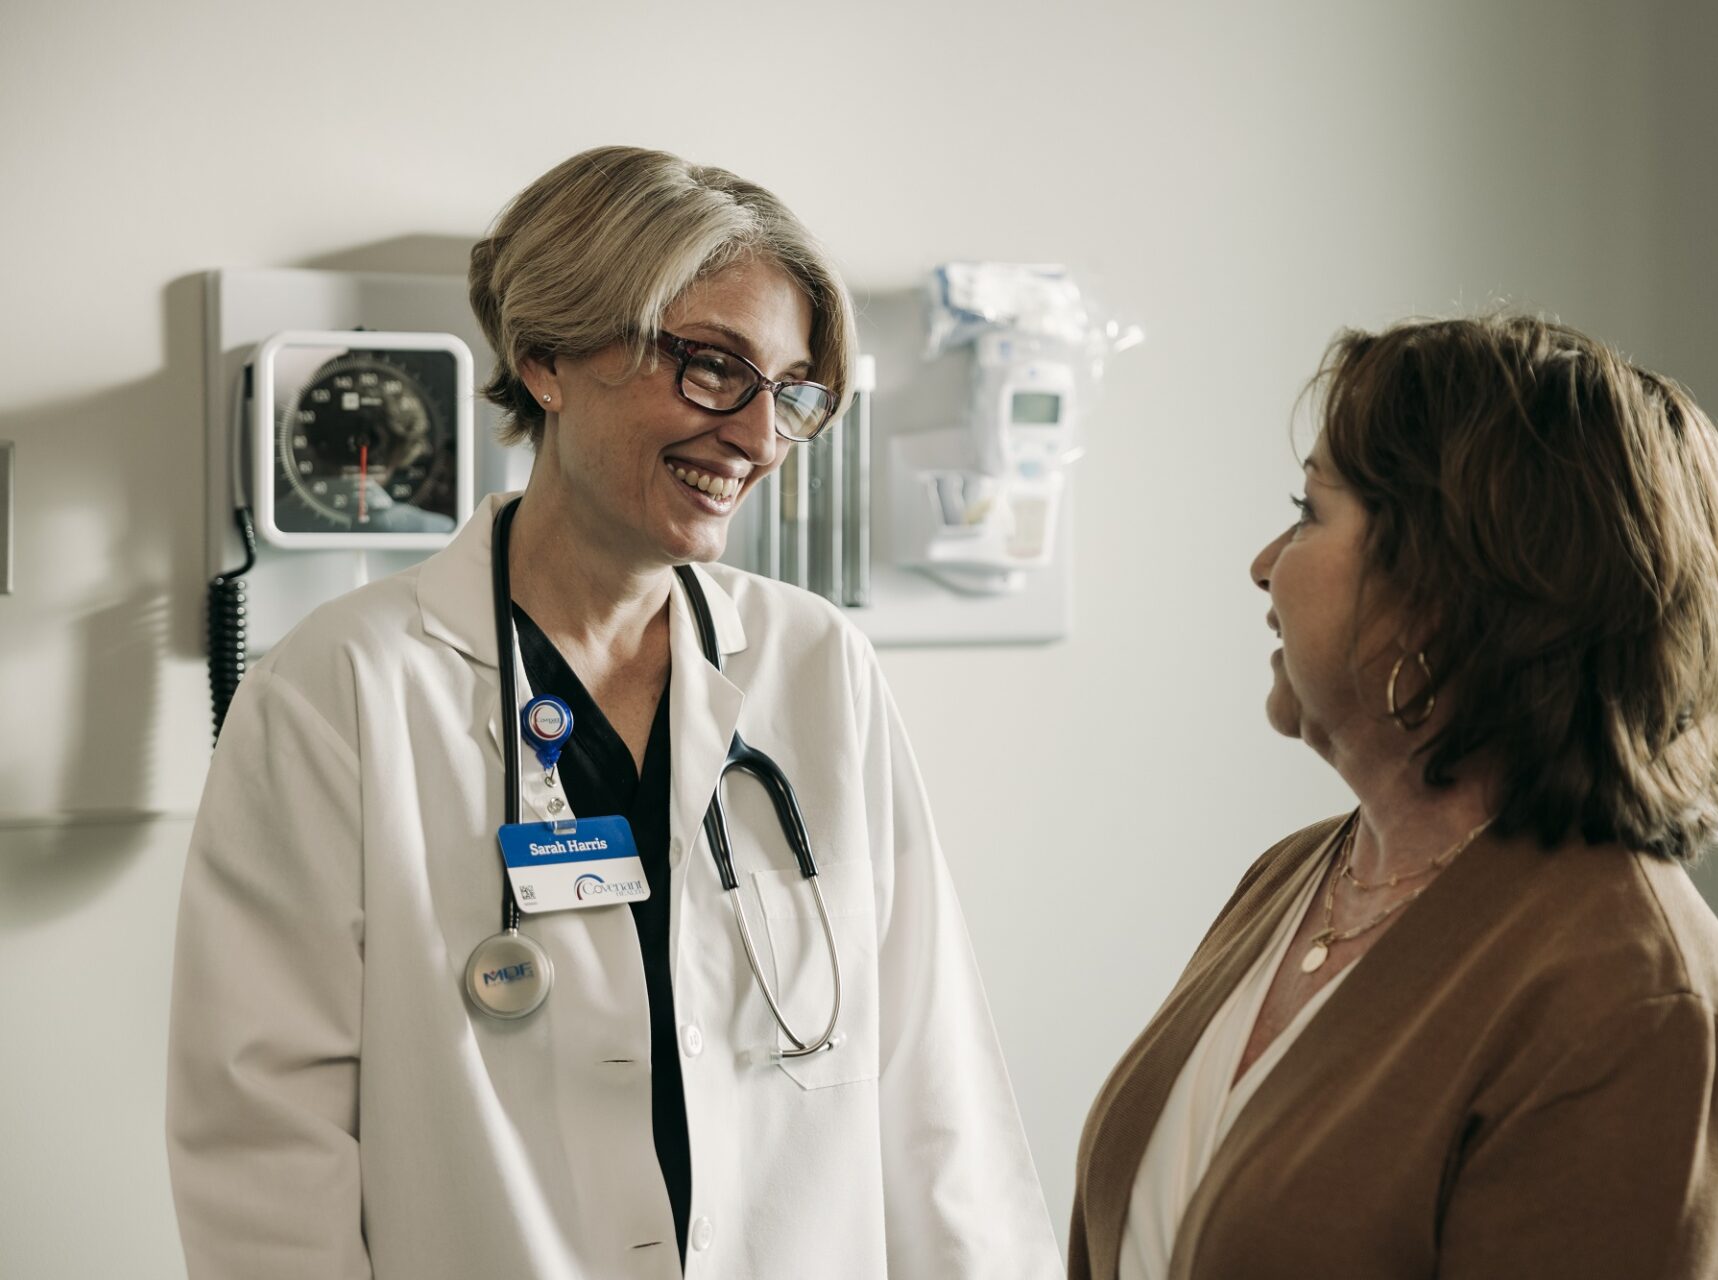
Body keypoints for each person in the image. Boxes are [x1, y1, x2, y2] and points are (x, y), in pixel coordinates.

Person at [168, 145, 1062, 1279]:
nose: (755, 436)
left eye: (789, 392)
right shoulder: (340, 690)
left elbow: (938, 1098)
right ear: (545, 354)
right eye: (710, 368)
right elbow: (264, 1158)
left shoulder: (817, 665)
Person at [1070, 315, 1718, 1279]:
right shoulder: (1292, 879)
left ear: (1440, 588)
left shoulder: (1642, 1004)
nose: (1263, 564)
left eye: (1309, 510)